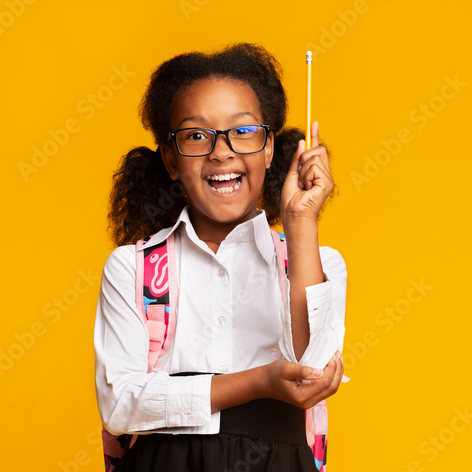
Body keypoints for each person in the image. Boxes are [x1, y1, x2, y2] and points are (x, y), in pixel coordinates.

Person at [94, 43, 346, 472]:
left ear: (269, 149)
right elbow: (121, 405)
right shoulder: (132, 268)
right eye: (196, 135)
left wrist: (300, 222)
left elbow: (315, 371)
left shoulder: (318, 263)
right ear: (171, 161)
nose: (221, 151)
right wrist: (258, 382)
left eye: (243, 131)